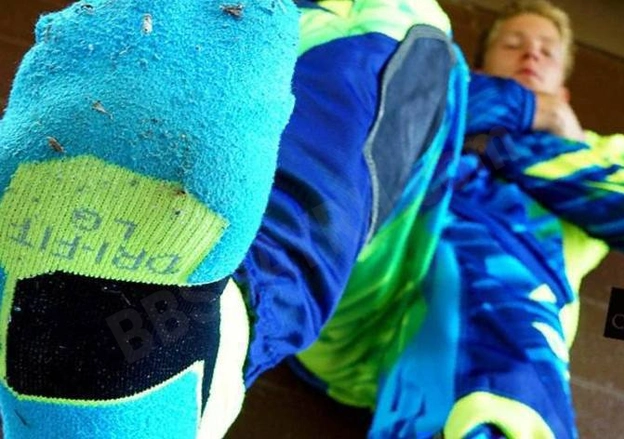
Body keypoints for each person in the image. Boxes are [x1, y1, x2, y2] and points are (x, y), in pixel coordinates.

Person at [0, 0, 469, 437]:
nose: (516, 50)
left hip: (390, 318)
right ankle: (164, 362)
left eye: (521, 46)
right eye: (506, 42)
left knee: (393, 41)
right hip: (363, 296)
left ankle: (203, 340)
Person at [296, 1, 624, 438]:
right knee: (411, 32)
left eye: (547, 50)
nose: (531, 54)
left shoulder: (603, 150)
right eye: (514, 44)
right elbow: (410, 92)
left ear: (564, 91)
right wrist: (526, 107)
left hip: (492, 321)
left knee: (487, 260)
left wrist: (549, 133)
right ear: (482, 67)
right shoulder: (446, 93)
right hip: (357, 288)